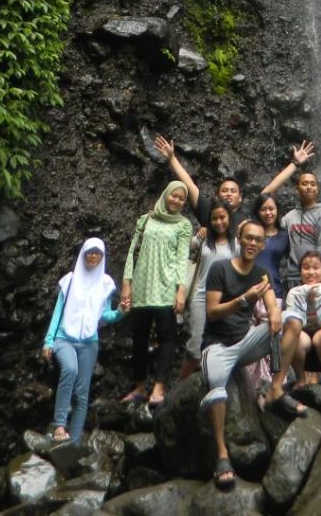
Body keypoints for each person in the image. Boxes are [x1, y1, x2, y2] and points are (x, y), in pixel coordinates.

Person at [201, 220, 307, 490]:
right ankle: (222, 454)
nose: (252, 243)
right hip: (218, 346)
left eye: (258, 240)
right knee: (217, 390)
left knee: (292, 320)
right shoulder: (219, 268)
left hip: (247, 343)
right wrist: (244, 299)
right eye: (248, 238)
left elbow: (272, 304)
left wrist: (273, 314)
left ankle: (275, 389)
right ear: (239, 239)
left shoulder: (261, 273)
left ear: (263, 245)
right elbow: (212, 311)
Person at [42, 238, 123, 443]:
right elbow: (58, 311)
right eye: (90, 252)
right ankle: (59, 424)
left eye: (98, 253)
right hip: (64, 338)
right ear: (83, 254)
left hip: (89, 342)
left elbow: (105, 315)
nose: (93, 256)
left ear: (102, 256)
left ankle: (75, 440)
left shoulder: (105, 284)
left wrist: (121, 312)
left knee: (82, 392)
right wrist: (49, 341)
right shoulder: (69, 280)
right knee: (70, 369)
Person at [120, 180, 192, 407]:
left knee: (167, 338)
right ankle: (139, 387)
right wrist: (126, 284)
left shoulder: (183, 225)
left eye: (181, 198)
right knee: (139, 339)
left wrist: (181, 291)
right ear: (166, 195)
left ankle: (159, 386)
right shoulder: (147, 219)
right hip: (142, 286)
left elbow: (182, 258)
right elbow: (133, 251)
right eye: (174, 196)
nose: (177, 201)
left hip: (166, 287)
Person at [153, 135, 315, 232]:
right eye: (224, 191)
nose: (229, 193)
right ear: (217, 195)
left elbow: (272, 187)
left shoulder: (248, 211)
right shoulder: (208, 210)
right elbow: (189, 185)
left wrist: (295, 163)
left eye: (233, 191)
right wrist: (172, 158)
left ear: (240, 198)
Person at [181, 201, 237, 378]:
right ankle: (179, 386)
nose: (219, 222)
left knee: (222, 346)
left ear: (229, 218)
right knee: (196, 346)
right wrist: (198, 237)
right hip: (201, 297)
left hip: (225, 301)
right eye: (214, 218)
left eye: (222, 217)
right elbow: (184, 252)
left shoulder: (237, 244)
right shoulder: (205, 240)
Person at [283, 251, 321, 388]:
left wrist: (317, 299)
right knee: (295, 336)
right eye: (306, 268)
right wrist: (305, 298)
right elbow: (295, 324)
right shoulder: (294, 293)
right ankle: (301, 377)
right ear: (300, 272)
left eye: (316, 268)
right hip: (303, 349)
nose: (311, 272)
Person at [281, 170, 321, 293]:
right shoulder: (288, 218)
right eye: (304, 183)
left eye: (312, 184)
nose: (309, 187)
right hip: (294, 276)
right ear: (297, 188)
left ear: (317, 189)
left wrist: (318, 274)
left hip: (318, 277)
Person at [251, 192, 290, 300]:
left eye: (271, 209)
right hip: (249, 288)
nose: (268, 213)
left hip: (274, 288)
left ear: (277, 210)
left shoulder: (284, 236)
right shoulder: (251, 233)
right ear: (258, 212)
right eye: (263, 209)